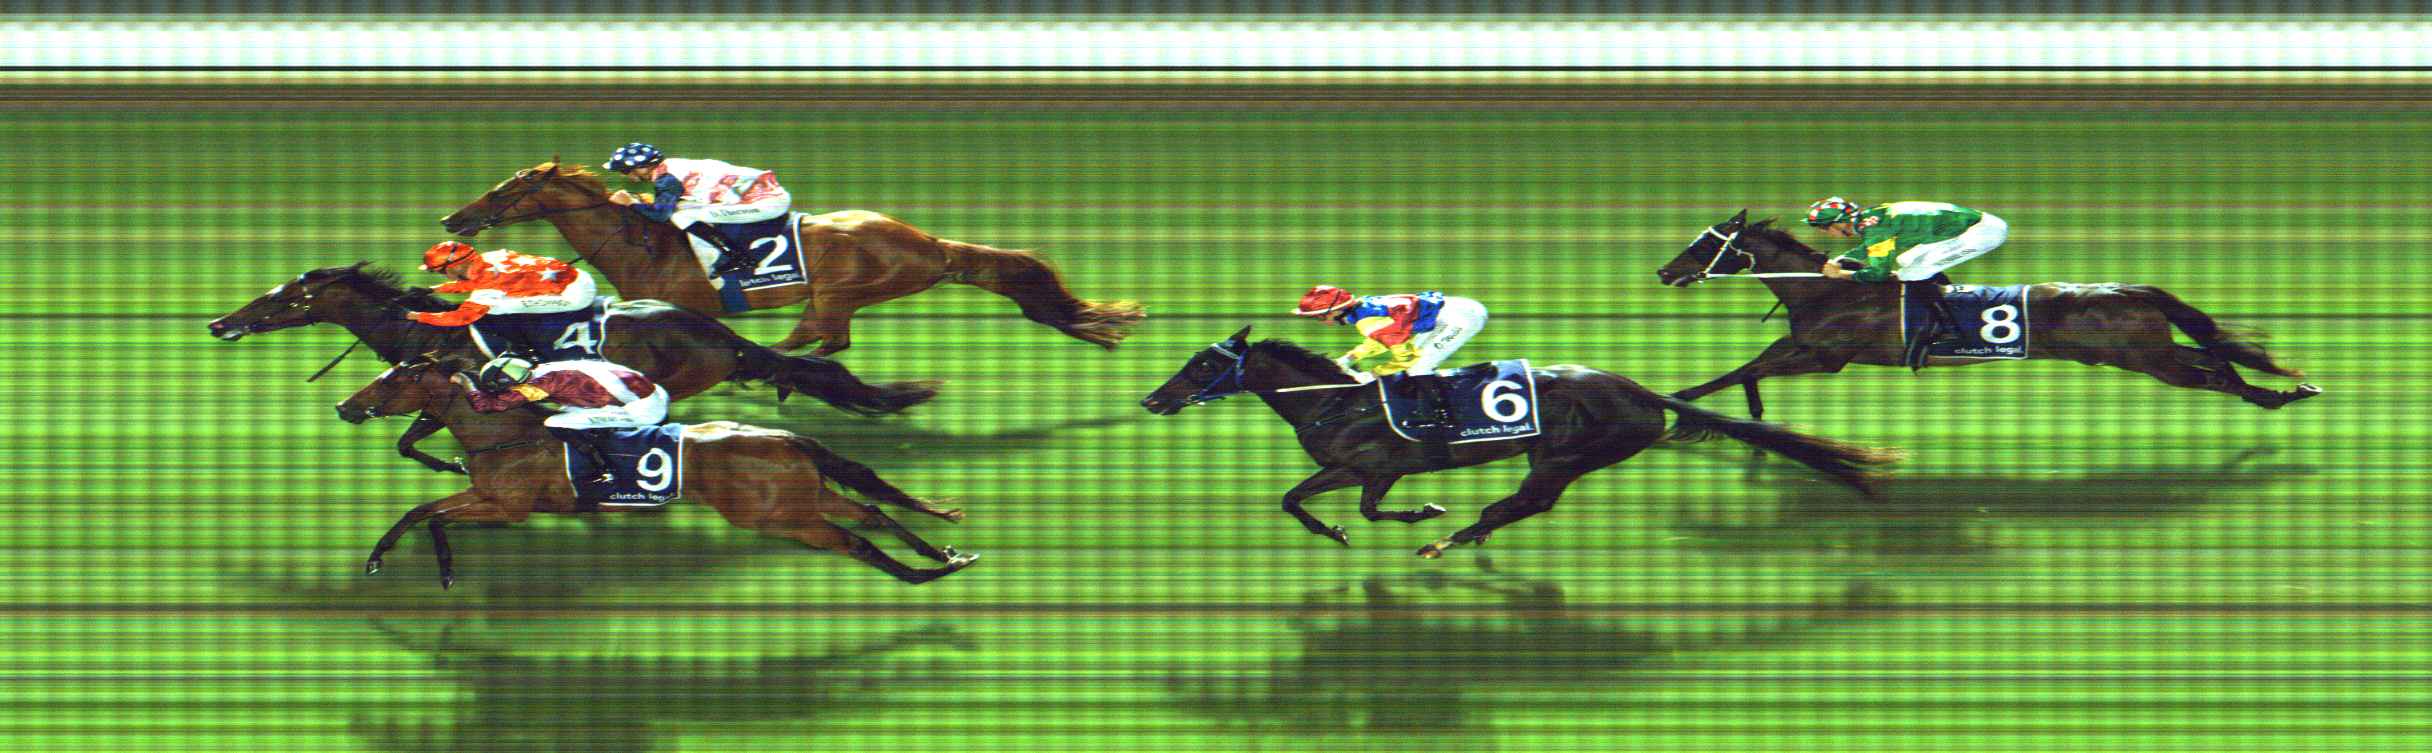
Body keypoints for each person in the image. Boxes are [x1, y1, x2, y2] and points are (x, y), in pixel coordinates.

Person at [1805, 197, 2011, 370]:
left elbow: (1879, 273)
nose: (1824, 232)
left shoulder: (1874, 230)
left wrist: (1842, 274)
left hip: (1982, 234)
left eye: (1824, 227)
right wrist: (1840, 260)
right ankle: (1948, 301)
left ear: (1840, 223)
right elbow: (1871, 245)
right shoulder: (1870, 218)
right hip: (1966, 227)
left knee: (1913, 273)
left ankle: (1949, 328)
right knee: (1907, 261)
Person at [1291, 285, 1490, 430]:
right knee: (1417, 362)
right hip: (1451, 311)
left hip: (1462, 318)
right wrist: (1349, 358)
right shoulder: (1363, 311)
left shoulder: (1367, 321)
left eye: (1320, 316)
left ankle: (1444, 415)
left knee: (1418, 367)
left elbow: (1406, 359)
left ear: (1336, 310)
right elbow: (1380, 339)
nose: (1321, 322)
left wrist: (1373, 374)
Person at [455, 355, 670, 486]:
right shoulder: (543, 368)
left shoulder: (545, 382)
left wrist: (464, 381)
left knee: (555, 423)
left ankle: (602, 470)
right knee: (565, 412)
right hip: (651, 393)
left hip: (644, 410)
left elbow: (488, 406)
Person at [601, 142, 793, 278]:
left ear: (642, 168)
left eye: (625, 170)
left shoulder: (667, 179)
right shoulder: (671, 166)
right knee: (684, 209)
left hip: (768, 203)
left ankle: (738, 257)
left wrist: (630, 203)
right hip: (763, 195)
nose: (624, 175)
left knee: (681, 216)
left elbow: (661, 215)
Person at [407, 241, 600, 358]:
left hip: (576, 296)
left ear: (453, 267)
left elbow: (461, 318)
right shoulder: (490, 257)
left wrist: (416, 316)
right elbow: (474, 282)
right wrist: (432, 289)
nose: (441, 275)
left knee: (496, 308)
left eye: (440, 272)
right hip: (576, 276)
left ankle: (530, 352)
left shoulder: (487, 288)